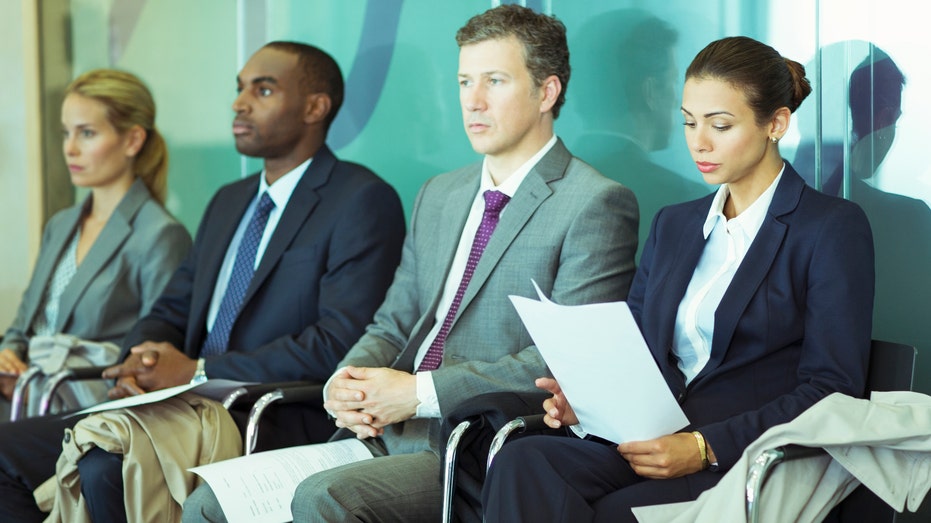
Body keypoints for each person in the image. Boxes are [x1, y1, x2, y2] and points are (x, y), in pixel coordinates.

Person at [182, 5, 638, 522]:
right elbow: (393, 322)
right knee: (208, 503)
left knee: (322, 499)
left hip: (474, 446)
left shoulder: (594, 202)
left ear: (546, 92)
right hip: (383, 430)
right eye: (465, 81)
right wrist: (345, 381)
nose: (475, 100)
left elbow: (564, 363)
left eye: (495, 80)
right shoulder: (440, 195)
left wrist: (420, 394)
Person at [0, 41, 406, 522]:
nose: (239, 102)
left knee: (105, 464)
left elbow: (339, 342)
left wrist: (198, 371)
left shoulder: (360, 199)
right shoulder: (229, 201)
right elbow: (171, 308)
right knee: (6, 452)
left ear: (315, 108)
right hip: (176, 407)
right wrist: (142, 358)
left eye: (264, 89)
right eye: (239, 89)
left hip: (265, 412)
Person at [481, 36, 875, 522]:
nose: (698, 142)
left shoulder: (829, 228)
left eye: (720, 125)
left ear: (776, 123)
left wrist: (704, 447)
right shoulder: (676, 224)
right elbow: (641, 344)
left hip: (738, 455)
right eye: (689, 122)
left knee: (611, 512)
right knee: (524, 461)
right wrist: (588, 400)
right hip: (649, 439)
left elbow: (832, 387)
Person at [0, 69, 191, 418]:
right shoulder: (61, 224)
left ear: (133, 140)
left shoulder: (159, 234)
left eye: (86, 133)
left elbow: (150, 355)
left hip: (87, 408)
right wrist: (8, 356)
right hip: (23, 397)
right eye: (66, 133)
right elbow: (24, 325)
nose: (70, 148)